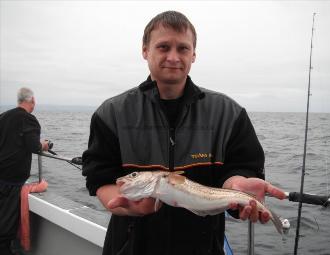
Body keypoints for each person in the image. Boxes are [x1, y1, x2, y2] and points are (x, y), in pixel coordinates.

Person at [82, 10, 286, 255]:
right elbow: (100, 178)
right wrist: (127, 206)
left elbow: (242, 166)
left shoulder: (228, 113)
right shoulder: (111, 113)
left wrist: (237, 184)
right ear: (145, 50)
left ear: (194, 55)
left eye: (183, 49)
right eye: (163, 46)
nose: (173, 56)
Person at [0, 87, 49, 255]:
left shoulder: (3, 116)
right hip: (11, 182)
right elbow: (34, 146)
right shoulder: (29, 119)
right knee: (6, 226)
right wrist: (44, 145)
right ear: (32, 101)